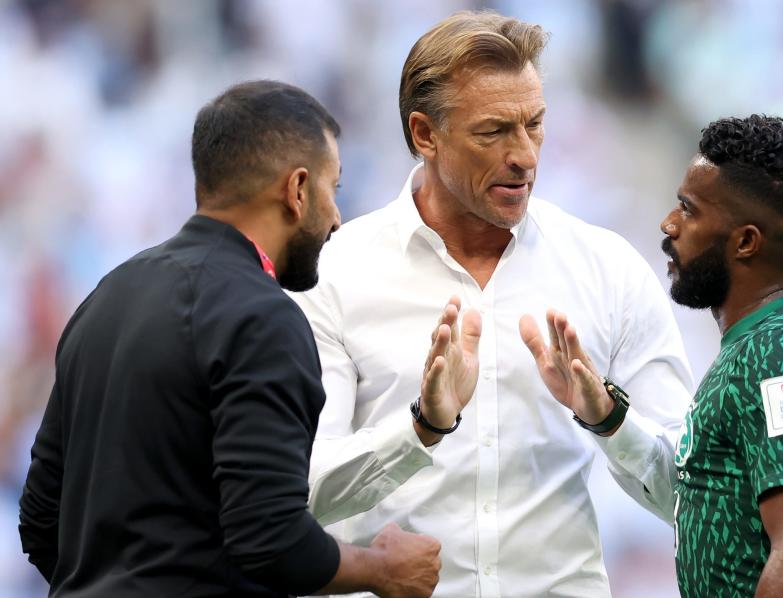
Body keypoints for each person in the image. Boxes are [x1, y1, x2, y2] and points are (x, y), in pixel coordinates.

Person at [17, 80, 482, 597]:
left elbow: (40, 519)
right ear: (297, 189)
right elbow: (271, 538)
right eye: (334, 189)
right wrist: (381, 569)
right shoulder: (263, 317)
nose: (336, 218)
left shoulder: (106, 297)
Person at [290, 10, 693, 598]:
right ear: (425, 134)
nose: (524, 154)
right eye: (493, 131)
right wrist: (420, 431)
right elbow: (298, 494)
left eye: (535, 124)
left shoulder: (608, 269)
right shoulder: (336, 273)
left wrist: (609, 419)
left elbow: (692, 494)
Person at [536, 114, 783, 596]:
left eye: (688, 210)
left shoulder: (777, 356)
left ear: (746, 241)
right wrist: (608, 417)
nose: (668, 224)